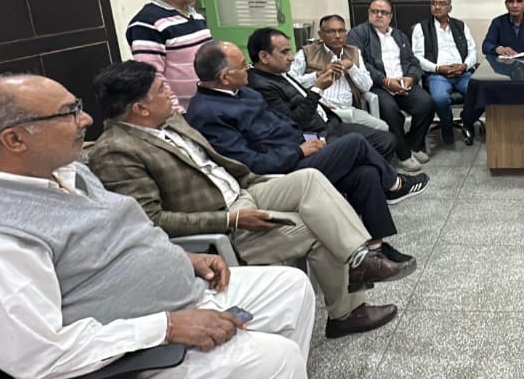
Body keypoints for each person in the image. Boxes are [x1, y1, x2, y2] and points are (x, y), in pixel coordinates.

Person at [0, 74, 316, 378]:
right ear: (15, 139)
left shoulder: (61, 170)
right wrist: (166, 327)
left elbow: (115, 238)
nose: (86, 119)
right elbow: (41, 357)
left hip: (178, 297)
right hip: (129, 353)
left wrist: (182, 257)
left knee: (289, 288)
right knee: (274, 358)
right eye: (69, 113)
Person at [89, 61, 411, 339]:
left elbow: (218, 163)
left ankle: (359, 259)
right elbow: (151, 222)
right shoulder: (116, 151)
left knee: (312, 179)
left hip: (245, 187)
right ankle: (347, 313)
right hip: (224, 217)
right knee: (320, 226)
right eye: (162, 90)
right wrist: (231, 219)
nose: (171, 93)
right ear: (140, 108)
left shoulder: (171, 121)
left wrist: (256, 181)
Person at [186, 43, 429, 243]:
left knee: (365, 173)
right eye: (242, 66)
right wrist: (298, 151)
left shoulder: (244, 91)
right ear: (224, 77)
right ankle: (394, 184)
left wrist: (309, 140)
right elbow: (248, 163)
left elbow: (282, 124)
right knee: (355, 142)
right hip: (279, 172)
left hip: (298, 149)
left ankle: (375, 246)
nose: (248, 69)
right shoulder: (208, 113)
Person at [247, 27, 397, 160]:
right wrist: (318, 88)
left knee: (387, 140)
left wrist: (322, 104)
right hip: (314, 135)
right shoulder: (262, 86)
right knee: (376, 145)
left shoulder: (279, 73)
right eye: (284, 52)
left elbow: (299, 96)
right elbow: (293, 123)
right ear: (264, 57)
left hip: (330, 121)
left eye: (341, 31)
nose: (291, 57)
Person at [347, 0, 437, 163]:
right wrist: (385, 81)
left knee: (426, 104)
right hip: (377, 85)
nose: (379, 15)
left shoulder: (399, 35)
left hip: (403, 83)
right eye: (375, 11)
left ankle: (412, 145)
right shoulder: (358, 34)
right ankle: (404, 155)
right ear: (369, 13)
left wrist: (411, 78)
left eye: (384, 12)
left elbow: (412, 61)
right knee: (390, 111)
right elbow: (361, 64)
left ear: (390, 16)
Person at [126, 0, 213, 110]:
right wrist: (176, 114)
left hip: (209, 106)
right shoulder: (147, 24)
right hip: (183, 113)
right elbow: (152, 77)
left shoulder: (196, 17)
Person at [289, 15, 393, 133]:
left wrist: (351, 67)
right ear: (321, 35)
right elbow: (291, 83)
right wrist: (319, 73)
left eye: (341, 31)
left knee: (382, 128)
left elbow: (366, 87)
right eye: (331, 31)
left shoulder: (354, 52)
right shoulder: (307, 52)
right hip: (321, 111)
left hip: (348, 110)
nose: (337, 36)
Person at [412, 0, 480, 145]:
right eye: (434, 3)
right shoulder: (421, 28)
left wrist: (465, 66)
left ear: (450, 7)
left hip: (462, 73)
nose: (437, 7)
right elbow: (417, 57)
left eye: (442, 3)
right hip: (437, 75)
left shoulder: (460, 25)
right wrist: (438, 68)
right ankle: (447, 127)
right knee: (440, 98)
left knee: (481, 93)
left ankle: (467, 120)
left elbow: (473, 51)